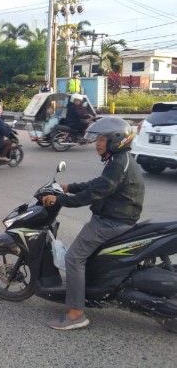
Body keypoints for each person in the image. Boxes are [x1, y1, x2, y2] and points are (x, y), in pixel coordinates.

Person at [41, 117, 144, 330]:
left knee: (74, 257)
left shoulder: (118, 163)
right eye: (97, 138)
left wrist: (59, 199)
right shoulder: (119, 160)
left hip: (111, 222)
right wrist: (69, 186)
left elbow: (96, 193)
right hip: (116, 218)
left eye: (102, 139)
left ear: (116, 140)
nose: (97, 143)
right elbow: (99, 183)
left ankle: (76, 313)